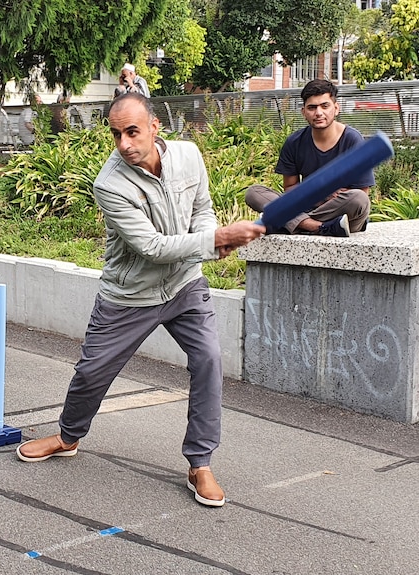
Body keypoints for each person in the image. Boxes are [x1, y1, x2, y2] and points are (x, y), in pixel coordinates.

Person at [15, 93, 266, 508]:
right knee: (92, 372)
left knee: (209, 361)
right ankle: (67, 436)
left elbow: (202, 209)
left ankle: (200, 463)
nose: (124, 144)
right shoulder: (110, 184)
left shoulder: (188, 156)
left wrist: (209, 239)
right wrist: (216, 240)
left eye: (132, 131)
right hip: (130, 295)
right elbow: (151, 246)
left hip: (184, 285)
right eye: (116, 135)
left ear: (154, 127)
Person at [245, 79, 373, 237]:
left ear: (336, 108)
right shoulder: (295, 142)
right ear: (304, 112)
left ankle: (289, 223)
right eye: (312, 107)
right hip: (307, 207)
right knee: (254, 192)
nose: (319, 113)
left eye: (325, 106)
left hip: (343, 215)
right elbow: (290, 188)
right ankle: (318, 227)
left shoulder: (353, 140)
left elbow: (362, 192)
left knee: (358, 199)